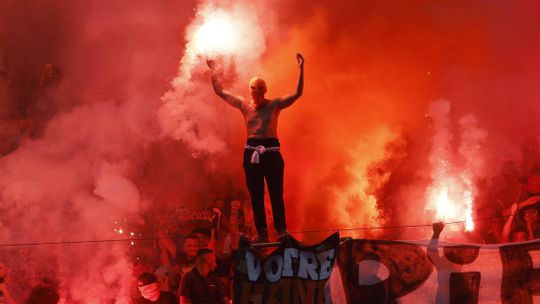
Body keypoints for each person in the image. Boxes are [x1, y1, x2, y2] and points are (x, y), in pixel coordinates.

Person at [207, 53, 305, 242]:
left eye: (260, 88)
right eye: (253, 88)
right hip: (251, 152)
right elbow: (220, 92)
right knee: (256, 195)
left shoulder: (275, 105)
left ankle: (281, 231)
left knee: (276, 194)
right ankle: (262, 232)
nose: (257, 91)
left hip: (271, 152)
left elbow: (297, 93)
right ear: (250, 90)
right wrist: (213, 71)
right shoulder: (244, 105)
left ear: (265, 89)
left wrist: (301, 68)